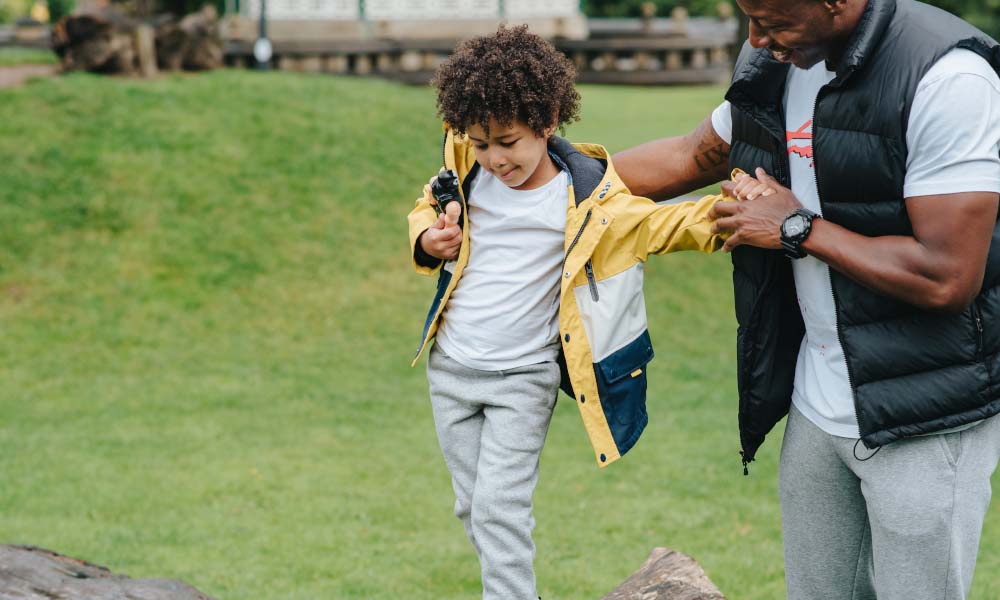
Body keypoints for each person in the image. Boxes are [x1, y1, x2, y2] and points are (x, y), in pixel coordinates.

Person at [612, 0, 1000, 597]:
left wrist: (797, 229)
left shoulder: (948, 79)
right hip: (818, 402)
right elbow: (690, 157)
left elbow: (947, 277)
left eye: (771, 20)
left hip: (926, 413)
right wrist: (542, 184)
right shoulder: (776, 62)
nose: (756, 38)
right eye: (748, 16)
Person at [407, 25, 732, 600]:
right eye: (481, 143)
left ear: (547, 119)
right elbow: (429, 204)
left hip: (522, 379)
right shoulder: (466, 165)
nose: (495, 157)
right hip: (451, 369)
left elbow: (666, 224)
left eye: (507, 141)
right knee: (472, 506)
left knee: (500, 509)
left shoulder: (588, 199)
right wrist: (427, 239)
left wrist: (735, 212)